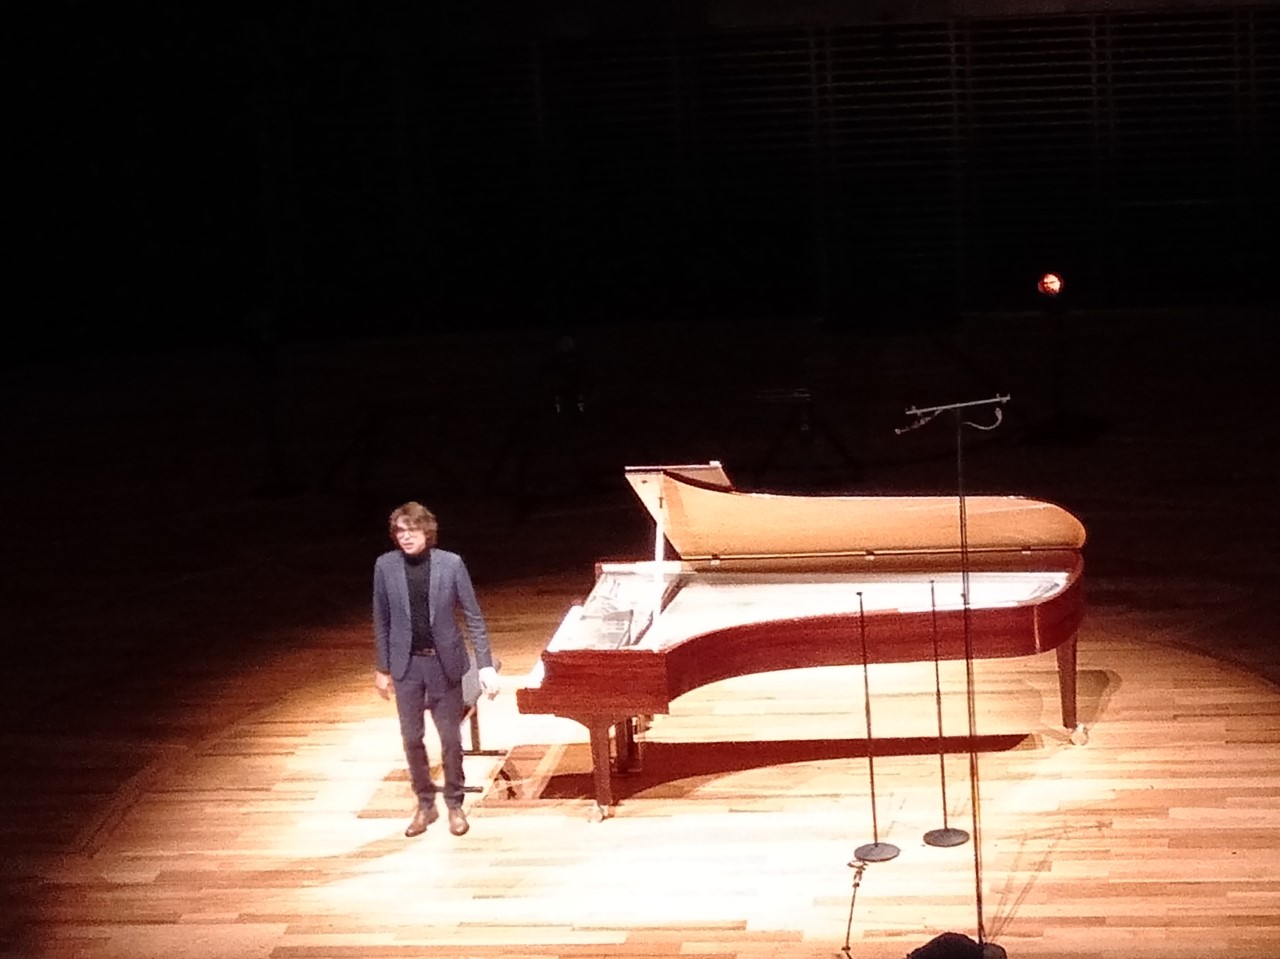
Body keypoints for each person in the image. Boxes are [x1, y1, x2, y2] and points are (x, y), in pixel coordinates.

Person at [372, 502, 498, 837]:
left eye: (411, 530)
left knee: (451, 739)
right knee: (412, 738)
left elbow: (474, 616)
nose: (405, 537)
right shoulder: (385, 566)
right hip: (407, 666)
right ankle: (425, 804)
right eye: (399, 531)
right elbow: (382, 620)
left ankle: (454, 803)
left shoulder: (451, 564)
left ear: (427, 531)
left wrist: (485, 665)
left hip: (444, 665)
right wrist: (382, 667)